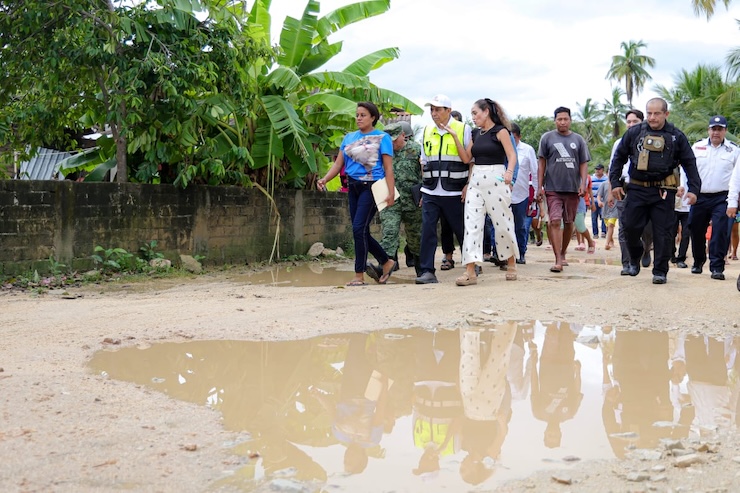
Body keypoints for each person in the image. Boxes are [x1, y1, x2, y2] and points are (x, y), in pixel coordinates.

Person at [609, 98, 701, 284]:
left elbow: (690, 163)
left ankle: (660, 271)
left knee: (664, 233)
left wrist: (694, 189)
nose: (652, 117)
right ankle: (635, 257)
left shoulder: (677, 136)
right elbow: (618, 158)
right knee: (629, 227)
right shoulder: (635, 133)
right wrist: (615, 183)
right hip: (636, 189)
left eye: (656, 113)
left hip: (664, 191)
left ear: (666, 114)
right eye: (649, 113)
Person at [317, 101, 397, 286]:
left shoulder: (383, 137)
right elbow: (338, 164)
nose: (359, 118)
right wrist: (325, 179)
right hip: (353, 187)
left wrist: (391, 193)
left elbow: (388, 168)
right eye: (357, 115)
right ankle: (386, 261)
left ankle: (359, 274)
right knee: (360, 230)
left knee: (358, 228)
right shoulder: (349, 138)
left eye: (363, 115)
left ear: (373, 117)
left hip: (373, 186)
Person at [455, 98, 518, 286]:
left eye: (475, 113)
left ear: (486, 112)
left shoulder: (500, 132)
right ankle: (470, 271)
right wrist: (455, 138)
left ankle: (511, 263)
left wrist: (509, 173)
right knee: (472, 224)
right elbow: (467, 158)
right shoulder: (475, 133)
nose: (473, 117)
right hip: (476, 180)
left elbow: (512, 155)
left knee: (502, 223)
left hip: (496, 178)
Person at [415, 95, 472, 284]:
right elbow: (424, 161)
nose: (434, 113)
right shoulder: (426, 131)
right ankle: (427, 271)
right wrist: (423, 188)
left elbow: (471, 161)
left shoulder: (463, 129)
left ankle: (471, 264)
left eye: (438, 109)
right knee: (428, 231)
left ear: (448, 110)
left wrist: (467, 185)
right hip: (431, 191)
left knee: (462, 230)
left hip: (455, 190)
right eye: (432, 109)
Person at [537, 106, 590, 273]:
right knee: (554, 221)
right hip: (553, 188)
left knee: (569, 223)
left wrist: (583, 184)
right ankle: (558, 259)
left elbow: (583, 163)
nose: (562, 122)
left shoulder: (578, 140)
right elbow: (542, 164)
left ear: (570, 120)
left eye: (565, 119)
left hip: (573, 188)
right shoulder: (547, 138)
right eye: (559, 119)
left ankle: (563, 252)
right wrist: (539, 186)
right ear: (555, 120)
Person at [367, 123, 423, 277]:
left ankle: (422, 270)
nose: (391, 143)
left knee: (415, 236)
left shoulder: (416, 149)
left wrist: (425, 193)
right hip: (390, 199)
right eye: (388, 140)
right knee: (389, 233)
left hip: (412, 200)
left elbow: (425, 173)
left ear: (403, 135)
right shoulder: (382, 152)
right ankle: (383, 268)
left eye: (394, 139)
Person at [688, 115, 740, 280]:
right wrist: (687, 190)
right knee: (695, 229)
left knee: (719, 232)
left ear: (725, 131)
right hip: (700, 196)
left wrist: (732, 201)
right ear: (708, 130)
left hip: (721, 198)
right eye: (713, 129)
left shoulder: (733, 150)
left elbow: (736, 177)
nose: (716, 132)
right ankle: (698, 261)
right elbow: (688, 170)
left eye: (720, 129)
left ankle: (717, 267)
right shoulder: (697, 147)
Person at [607, 109, 653, 274]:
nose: (631, 125)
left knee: (647, 226)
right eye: (629, 122)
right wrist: (611, 190)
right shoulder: (619, 143)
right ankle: (628, 262)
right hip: (623, 186)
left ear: (643, 122)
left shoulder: (651, 140)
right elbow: (613, 167)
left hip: (644, 186)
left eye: (635, 121)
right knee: (624, 226)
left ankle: (646, 248)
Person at [439, 110, 466, 272]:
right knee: (445, 226)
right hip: (442, 188)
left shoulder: (465, 136)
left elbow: (470, 160)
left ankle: (469, 259)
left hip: (460, 188)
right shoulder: (437, 137)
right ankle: (448, 256)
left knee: (463, 226)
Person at [510, 123, 539, 264]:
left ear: (519, 137)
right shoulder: (502, 149)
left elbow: (535, 172)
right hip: (503, 194)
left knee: (520, 225)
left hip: (521, 195)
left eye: (513, 137)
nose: (510, 140)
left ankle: (521, 252)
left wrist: (536, 192)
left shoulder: (527, 150)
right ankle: (501, 255)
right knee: (500, 225)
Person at [596, 178, 618, 249]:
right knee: (608, 226)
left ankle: (607, 243)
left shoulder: (618, 184)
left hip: (615, 207)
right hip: (605, 208)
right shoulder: (604, 184)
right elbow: (599, 195)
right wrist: (599, 201)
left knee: (611, 224)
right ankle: (611, 241)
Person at [591, 164, 608, 237]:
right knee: (594, 217)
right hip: (594, 200)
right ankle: (595, 233)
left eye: (599, 169)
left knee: (604, 216)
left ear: (602, 170)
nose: (597, 170)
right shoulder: (592, 178)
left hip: (603, 200)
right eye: (596, 169)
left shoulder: (606, 179)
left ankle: (603, 231)